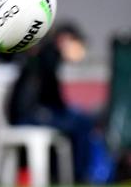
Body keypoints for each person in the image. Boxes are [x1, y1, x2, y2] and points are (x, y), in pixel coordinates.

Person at [6, 22, 95, 182]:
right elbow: (47, 95)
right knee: (81, 123)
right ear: (64, 39)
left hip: (37, 112)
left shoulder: (47, 53)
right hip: (30, 115)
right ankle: (79, 176)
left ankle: (69, 174)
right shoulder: (47, 53)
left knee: (80, 119)